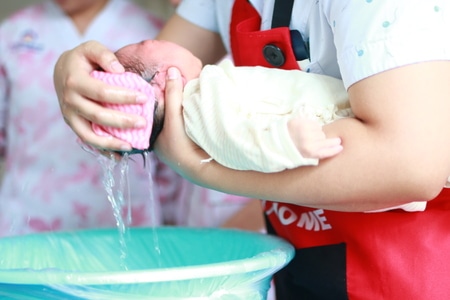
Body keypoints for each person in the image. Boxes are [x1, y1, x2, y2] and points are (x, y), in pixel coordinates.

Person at [53, 0, 450, 299]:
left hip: (415, 266)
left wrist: (200, 169)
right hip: (303, 256)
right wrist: (76, 75)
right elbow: (150, 71)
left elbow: (411, 164)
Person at [0, 0, 182, 236]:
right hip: (25, 224)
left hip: (129, 227)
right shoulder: (11, 36)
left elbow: (171, 149)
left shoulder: (153, 38)